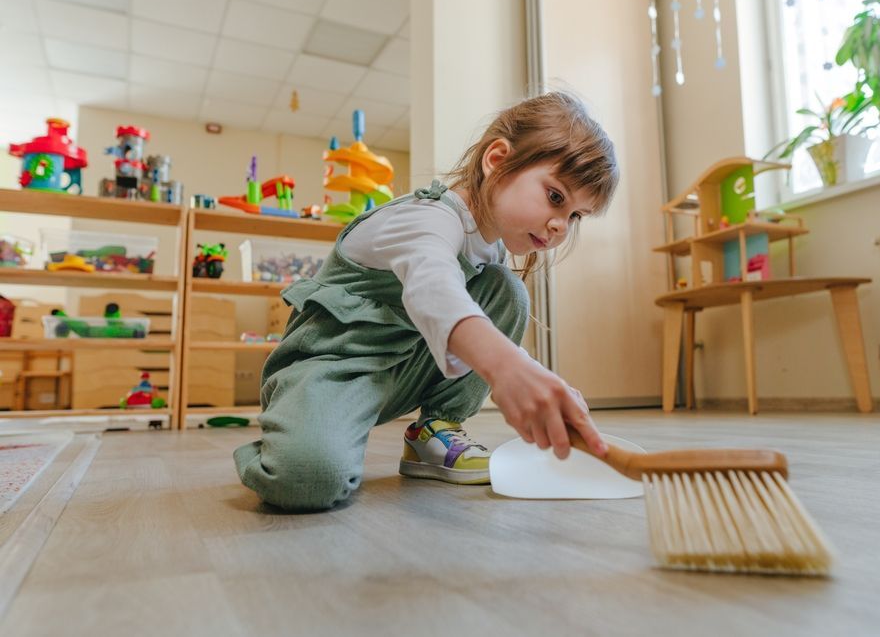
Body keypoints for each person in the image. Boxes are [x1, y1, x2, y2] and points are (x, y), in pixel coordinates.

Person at [234, 91, 620, 511]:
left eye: (575, 216)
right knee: (307, 479)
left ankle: (435, 429)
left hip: (400, 370)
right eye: (556, 197)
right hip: (332, 368)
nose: (561, 226)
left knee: (505, 290)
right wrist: (510, 368)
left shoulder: (489, 248)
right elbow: (434, 289)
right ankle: (294, 429)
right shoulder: (426, 218)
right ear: (497, 160)